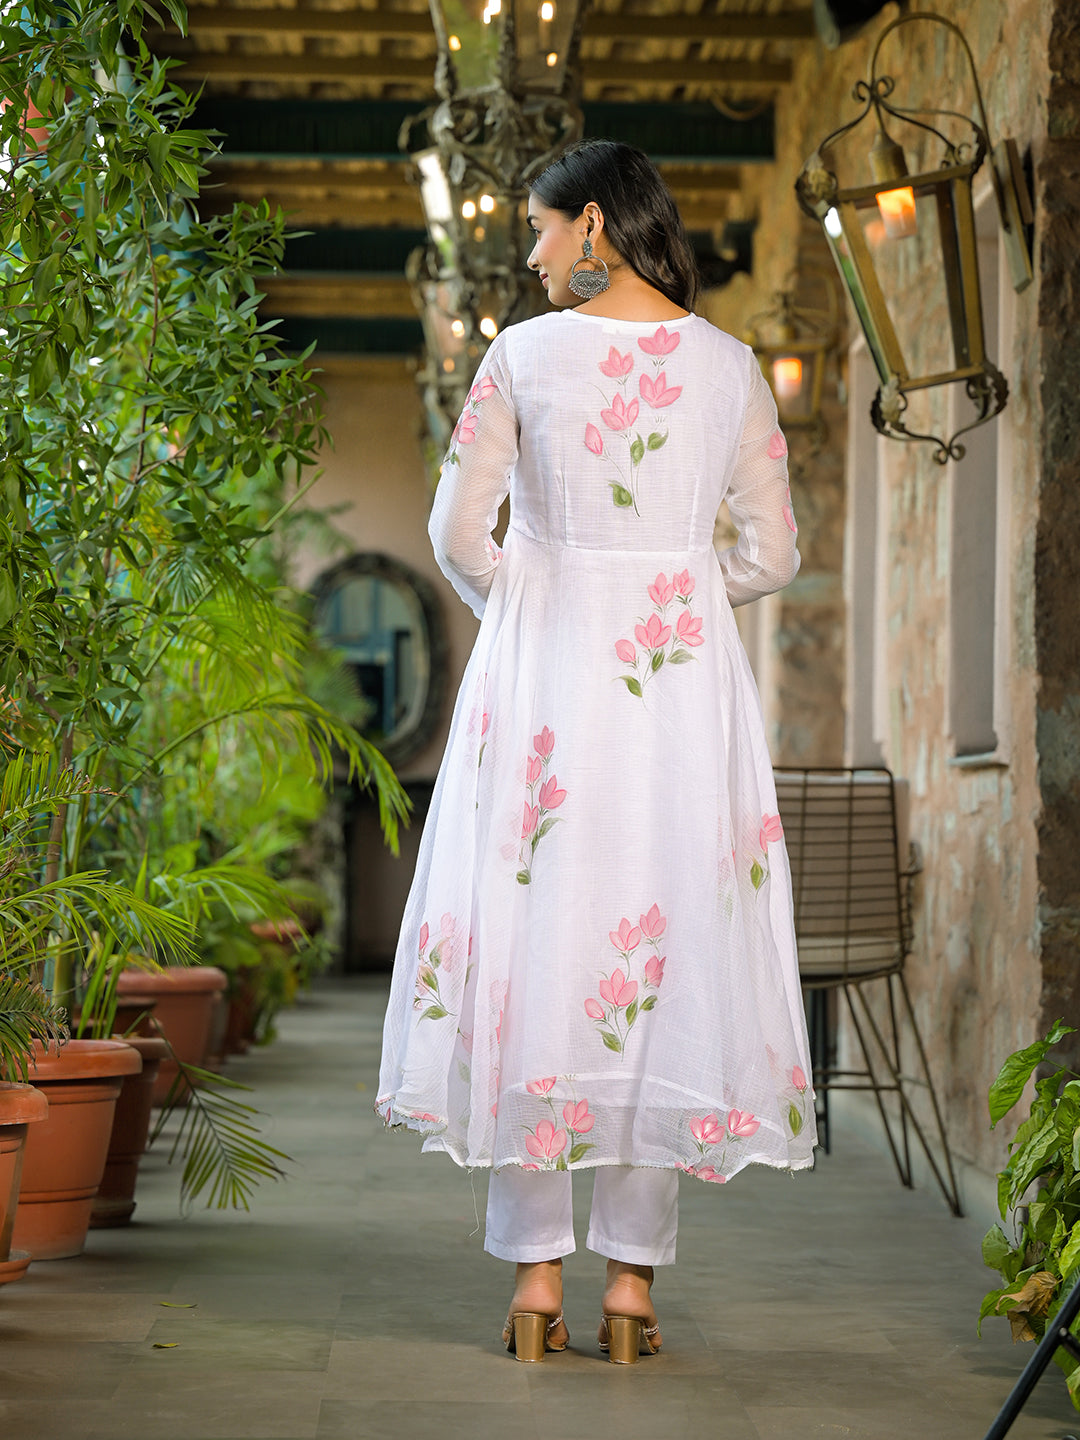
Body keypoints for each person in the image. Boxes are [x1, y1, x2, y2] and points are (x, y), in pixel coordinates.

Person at [376, 138, 816, 1364]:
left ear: (594, 228)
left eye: (539, 226)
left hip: (547, 694)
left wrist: (539, 605)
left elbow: (456, 531)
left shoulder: (522, 358)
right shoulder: (731, 368)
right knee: (658, 957)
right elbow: (775, 554)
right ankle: (630, 1291)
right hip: (678, 702)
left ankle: (534, 1283)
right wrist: (673, 596)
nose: (528, 253)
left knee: (540, 945)